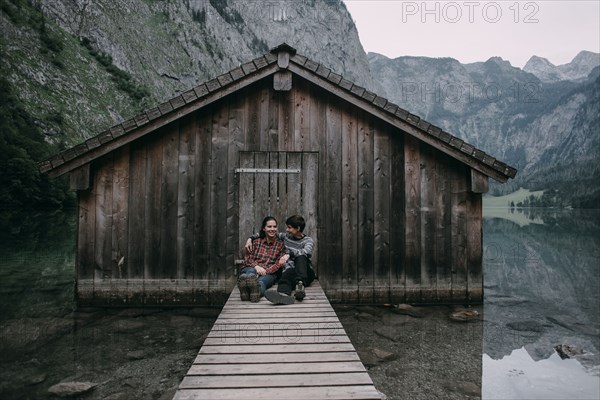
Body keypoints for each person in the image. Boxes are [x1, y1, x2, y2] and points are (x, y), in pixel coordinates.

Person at [245, 214, 315, 305]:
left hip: (305, 273)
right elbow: (267, 232)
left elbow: (306, 252)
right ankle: (283, 296)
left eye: (289, 228)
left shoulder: (308, 240)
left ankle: (300, 284)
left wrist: (289, 254)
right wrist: (250, 239)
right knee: (284, 277)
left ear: (297, 228)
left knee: (301, 257)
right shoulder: (286, 237)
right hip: (291, 272)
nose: (287, 230)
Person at [238, 216, 287, 303]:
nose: (272, 229)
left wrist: (265, 271)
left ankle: (254, 293)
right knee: (250, 273)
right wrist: (256, 267)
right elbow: (247, 259)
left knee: (262, 282)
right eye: (269, 226)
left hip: (269, 273)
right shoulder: (255, 242)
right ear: (264, 228)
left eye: (274, 226)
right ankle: (246, 287)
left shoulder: (280, 245)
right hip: (251, 268)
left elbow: (278, 264)